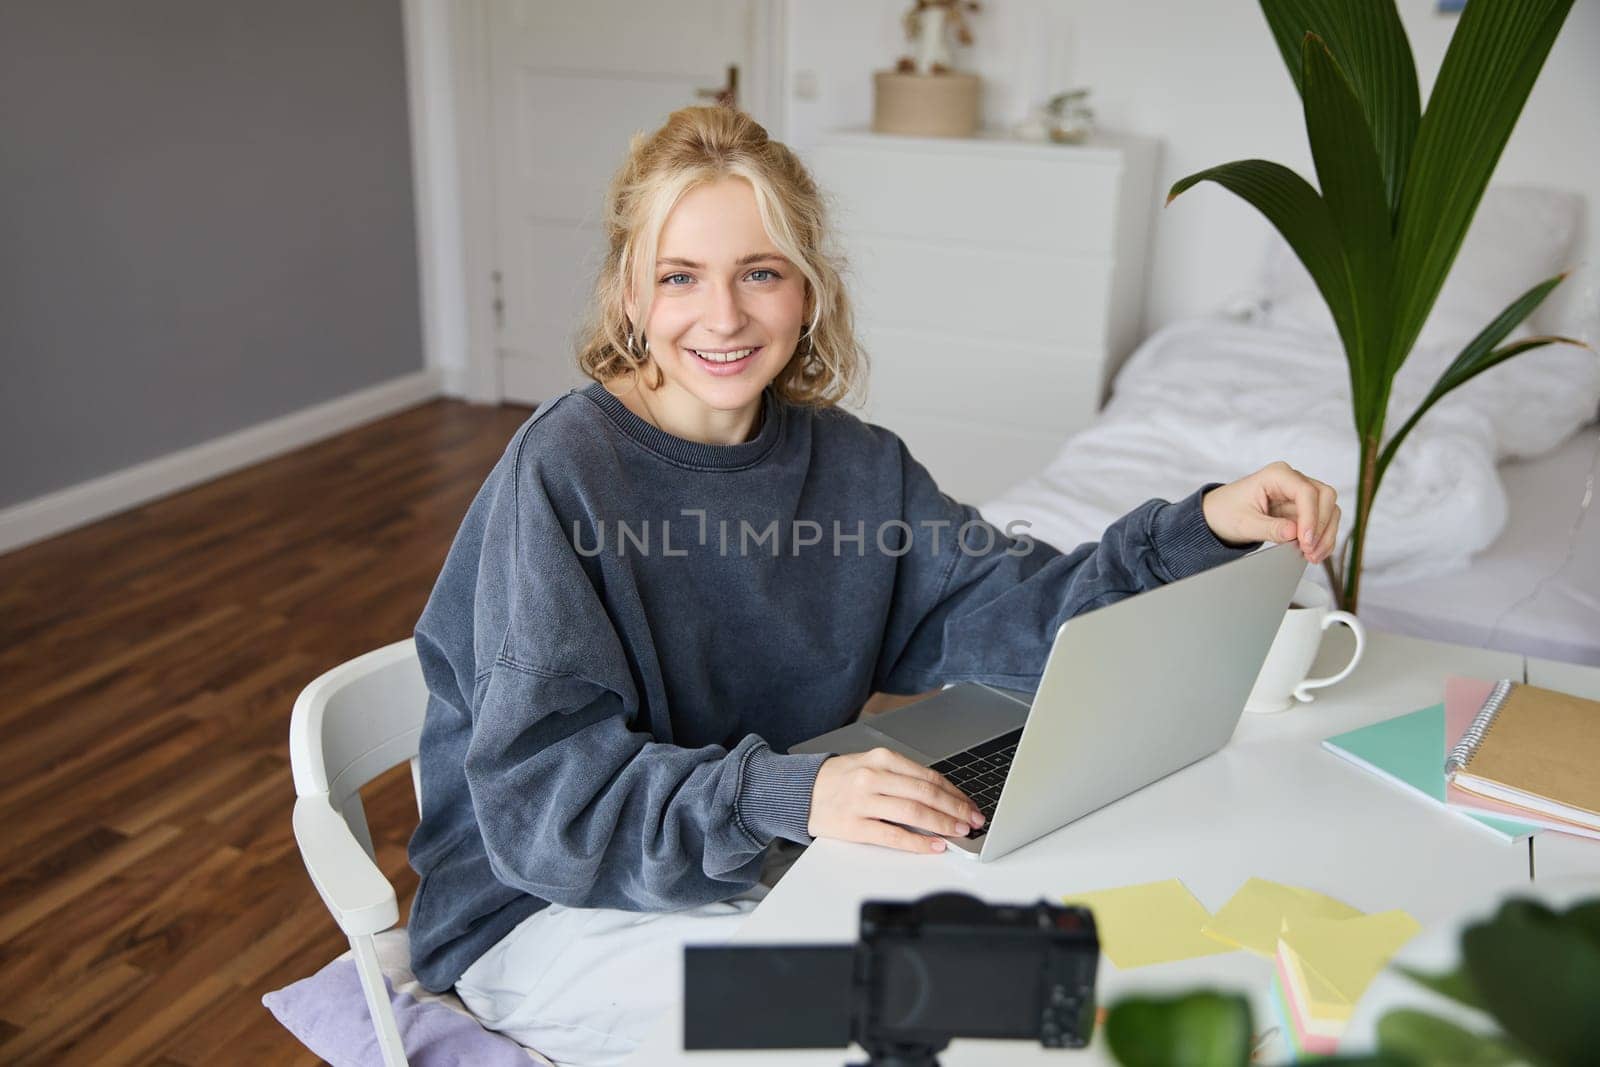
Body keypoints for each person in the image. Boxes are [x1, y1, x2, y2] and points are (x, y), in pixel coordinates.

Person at [405, 105, 1339, 1065]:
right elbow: (545, 809)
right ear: (628, 297)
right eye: (678, 277)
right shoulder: (564, 470)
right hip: (547, 909)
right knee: (893, 1028)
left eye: (760, 272)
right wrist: (787, 796)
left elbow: (1025, 619)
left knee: (1049, 978)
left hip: (759, 857)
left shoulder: (857, 468)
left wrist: (1200, 527)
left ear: (809, 291)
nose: (722, 316)